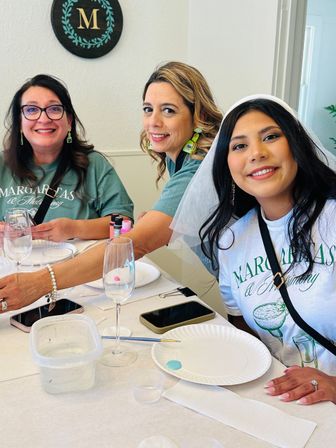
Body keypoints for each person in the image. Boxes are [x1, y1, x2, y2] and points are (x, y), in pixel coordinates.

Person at [0, 62, 222, 310]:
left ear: (198, 115)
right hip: (236, 284)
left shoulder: (198, 166)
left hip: (253, 282)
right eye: (148, 109)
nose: (153, 122)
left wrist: (41, 283)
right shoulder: (179, 158)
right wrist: (170, 220)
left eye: (168, 110)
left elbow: (135, 241)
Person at [172, 94, 336, 406]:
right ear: (227, 163)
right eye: (239, 146)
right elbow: (244, 328)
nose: (256, 154)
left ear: (296, 145)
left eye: (271, 137)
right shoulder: (231, 241)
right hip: (281, 408)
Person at [0, 74, 133, 241]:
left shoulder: (94, 165)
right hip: (15, 264)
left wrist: (74, 228)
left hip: (78, 265)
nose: (43, 118)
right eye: (31, 110)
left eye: (54, 109)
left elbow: (124, 222)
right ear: (19, 122)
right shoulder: (2, 164)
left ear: (69, 120)